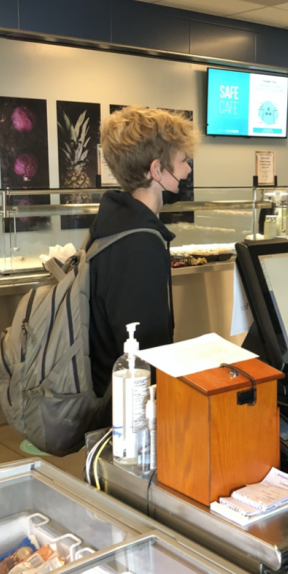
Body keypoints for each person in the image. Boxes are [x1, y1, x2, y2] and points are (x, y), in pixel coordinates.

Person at [89, 105, 197, 401]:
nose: (187, 169)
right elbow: (146, 349)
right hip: (127, 409)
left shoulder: (111, 222)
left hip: (105, 389)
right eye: (183, 160)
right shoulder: (141, 245)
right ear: (156, 170)